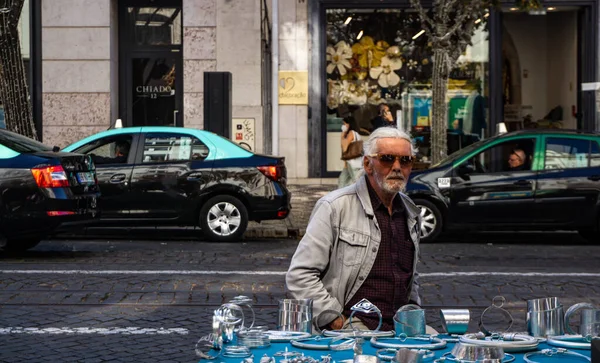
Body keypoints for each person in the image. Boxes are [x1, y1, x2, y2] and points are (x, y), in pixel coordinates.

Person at [286, 127, 435, 333]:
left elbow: (410, 275)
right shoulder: (334, 207)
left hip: (401, 325)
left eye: (406, 160)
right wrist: (336, 320)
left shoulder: (410, 211)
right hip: (354, 325)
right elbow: (300, 275)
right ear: (367, 164)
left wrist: (414, 311)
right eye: (387, 158)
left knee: (448, 349)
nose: (397, 167)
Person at [338, 116, 363, 188]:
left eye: (344, 123)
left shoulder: (351, 133)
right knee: (342, 180)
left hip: (352, 163)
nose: (343, 126)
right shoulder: (357, 134)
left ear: (349, 124)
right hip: (352, 163)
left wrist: (342, 135)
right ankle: (341, 196)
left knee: (356, 181)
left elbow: (344, 148)